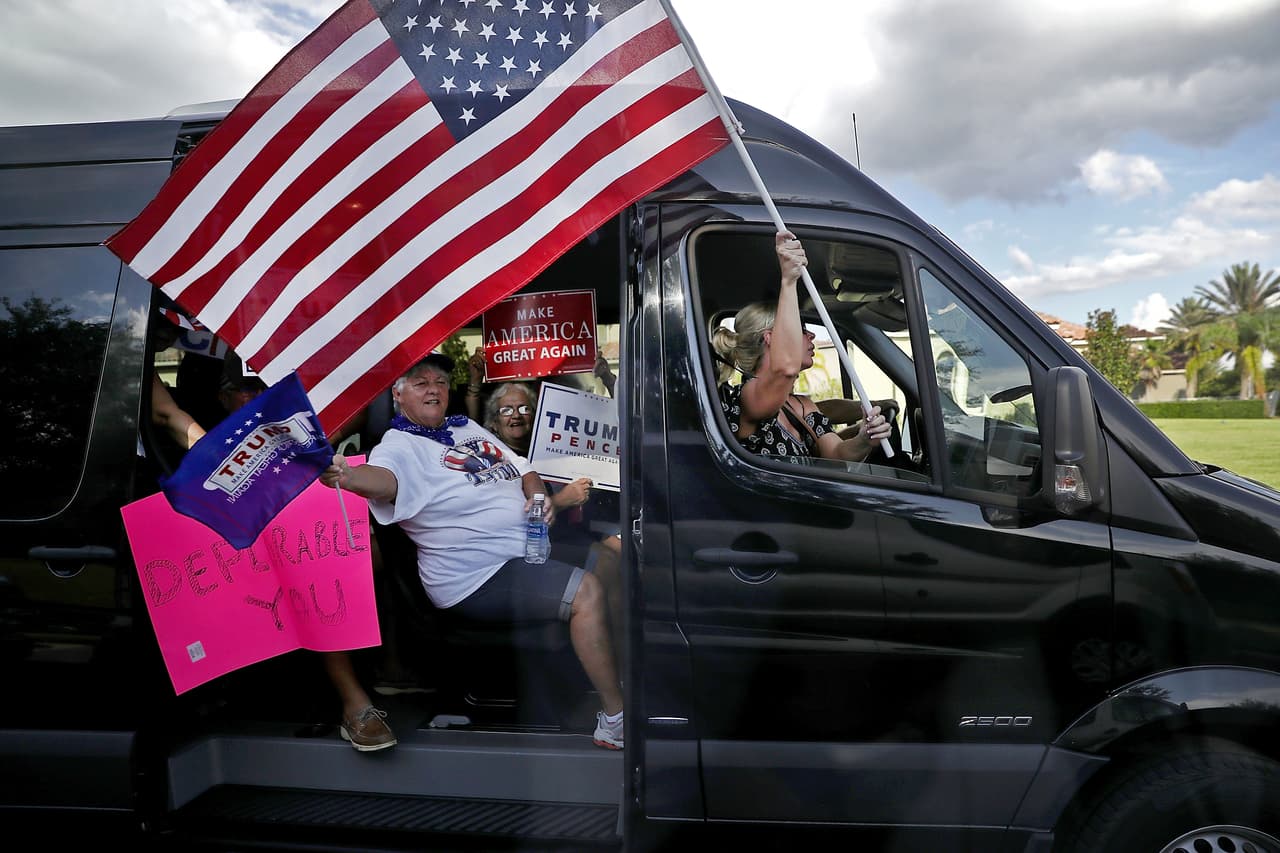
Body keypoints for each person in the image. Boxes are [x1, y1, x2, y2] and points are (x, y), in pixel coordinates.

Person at [319, 353, 626, 750]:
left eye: (441, 382)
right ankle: (615, 718)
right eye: (421, 382)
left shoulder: (465, 428)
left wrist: (539, 500)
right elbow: (382, 481)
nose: (434, 388)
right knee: (586, 591)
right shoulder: (398, 446)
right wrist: (347, 475)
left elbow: (522, 467)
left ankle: (610, 678)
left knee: (613, 560)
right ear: (397, 394)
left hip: (525, 547)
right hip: (476, 574)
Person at [712, 231, 893, 461]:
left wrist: (865, 439)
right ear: (771, 338)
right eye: (800, 329)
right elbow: (784, 369)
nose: (811, 336)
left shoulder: (802, 405)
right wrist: (788, 281)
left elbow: (837, 454)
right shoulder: (747, 398)